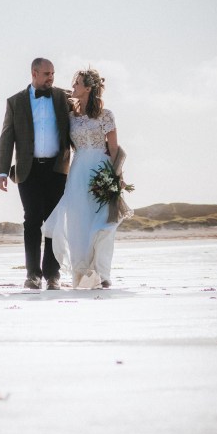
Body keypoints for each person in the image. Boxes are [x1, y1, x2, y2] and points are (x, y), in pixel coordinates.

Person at [44, 68, 132, 289]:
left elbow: (113, 149)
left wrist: (117, 176)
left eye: (77, 83)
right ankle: (81, 272)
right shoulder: (70, 117)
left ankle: (102, 273)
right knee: (78, 222)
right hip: (78, 172)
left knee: (103, 222)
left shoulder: (106, 115)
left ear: (88, 88)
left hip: (101, 171)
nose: (73, 87)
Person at [0, 58, 71, 290]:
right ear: (34, 73)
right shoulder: (15, 101)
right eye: (47, 73)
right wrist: (1, 171)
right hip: (28, 171)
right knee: (32, 221)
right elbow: (7, 137)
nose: (51, 78)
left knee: (54, 223)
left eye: (53, 73)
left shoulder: (63, 98)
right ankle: (32, 275)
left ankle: (52, 275)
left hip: (57, 169)